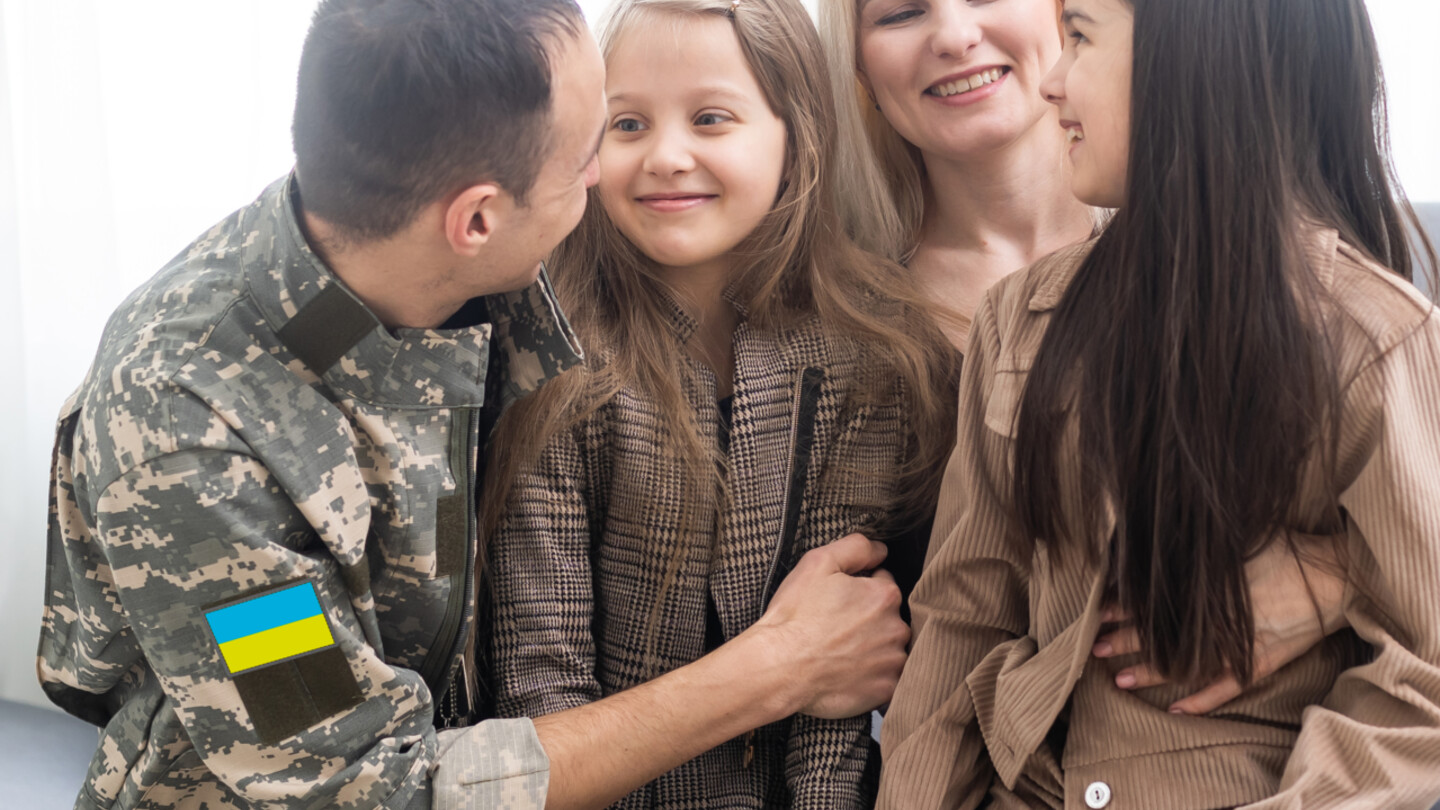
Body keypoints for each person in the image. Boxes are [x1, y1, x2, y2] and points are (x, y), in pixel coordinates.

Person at [36, 1, 913, 808]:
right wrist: (777, 667)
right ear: (478, 221)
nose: (618, 171)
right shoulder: (191, 441)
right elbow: (374, 788)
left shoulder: (425, 234)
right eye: (591, 151)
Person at [877, 0, 1440, 805]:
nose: (1053, 82)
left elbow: (1424, 682)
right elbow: (960, 625)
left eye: (1079, 37)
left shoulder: (1377, 338)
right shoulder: (1016, 322)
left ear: (1197, 61)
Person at [818, 0, 1352, 718]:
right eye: (901, 13)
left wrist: (1346, 575)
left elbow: (1402, 500)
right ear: (855, 60)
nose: (954, 35)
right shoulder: (831, 327)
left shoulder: (1258, 260)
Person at [483, 0, 958, 806]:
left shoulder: (873, 356)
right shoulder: (554, 358)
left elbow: (835, 703)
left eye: (711, 118)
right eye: (626, 125)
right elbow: (540, 690)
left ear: (796, 134)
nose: (667, 156)